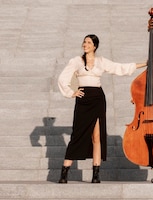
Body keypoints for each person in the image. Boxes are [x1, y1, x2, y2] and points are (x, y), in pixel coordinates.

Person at [57, 34, 147, 183]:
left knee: (97, 137)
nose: (85, 44)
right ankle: (64, 173)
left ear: (94, 46)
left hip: (98, 99)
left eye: (88, 42)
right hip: (83, 99)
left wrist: (143, 64)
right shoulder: (76, 61)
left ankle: (95, 175)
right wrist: (71, 92)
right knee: (77, 135)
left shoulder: (101, 61)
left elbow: (119, 68)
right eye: (84, 42)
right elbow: (63, 78)